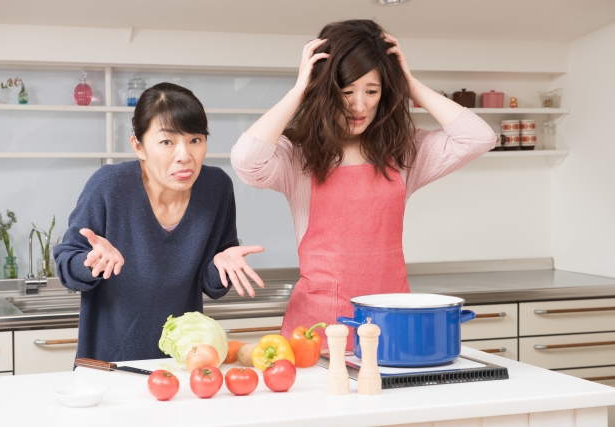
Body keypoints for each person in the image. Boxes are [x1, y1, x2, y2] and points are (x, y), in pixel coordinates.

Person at [230, 20, 496, 348]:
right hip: (318, 327)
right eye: (346, 92)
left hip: (391, 319)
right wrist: (300, 90)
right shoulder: (298, 155)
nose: (360, 106)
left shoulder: (403, 152)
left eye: (371, 91)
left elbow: (480, 137)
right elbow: (246, 161)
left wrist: (408, 83)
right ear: (325, 92)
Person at [55, 83, 264, 362]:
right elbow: (66, 264)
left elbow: (211, 283)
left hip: (183, 361)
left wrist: (220, 266)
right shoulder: (109, 187)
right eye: (167, 142)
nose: (184, 156)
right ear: (139, 147)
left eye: (195, 140)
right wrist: (91, 262)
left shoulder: (216, 188)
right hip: (109, 364)